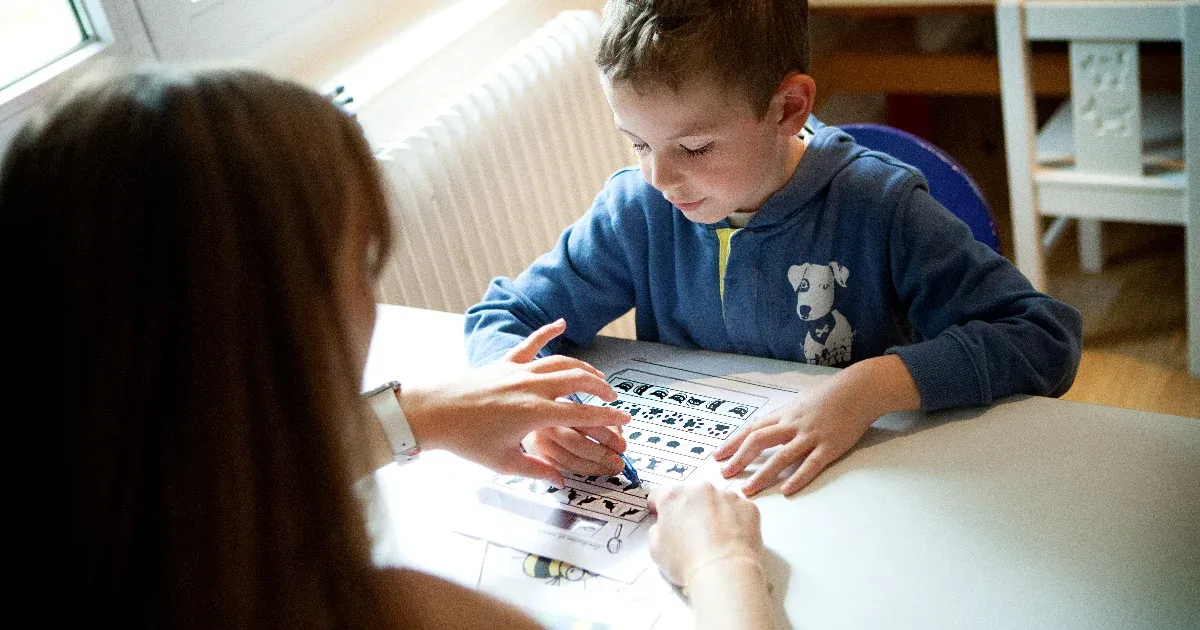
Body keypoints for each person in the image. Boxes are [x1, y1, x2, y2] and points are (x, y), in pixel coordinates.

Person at [7, 68, 768, 627]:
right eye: (364, 267)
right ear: (288, 323)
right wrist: (721, 565)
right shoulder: (384, 611)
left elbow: (195, 472)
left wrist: (409, 416)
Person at [464, 0, 1085, 496]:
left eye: (695, 147)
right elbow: (504, 317)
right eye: (638, 143)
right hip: (707, 493)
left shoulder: (879, 208)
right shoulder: (636, 210)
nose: (659, 178)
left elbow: (1043, 335)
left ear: (788, 107)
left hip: (865, 489)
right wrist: (540, 407)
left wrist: (871, 387)